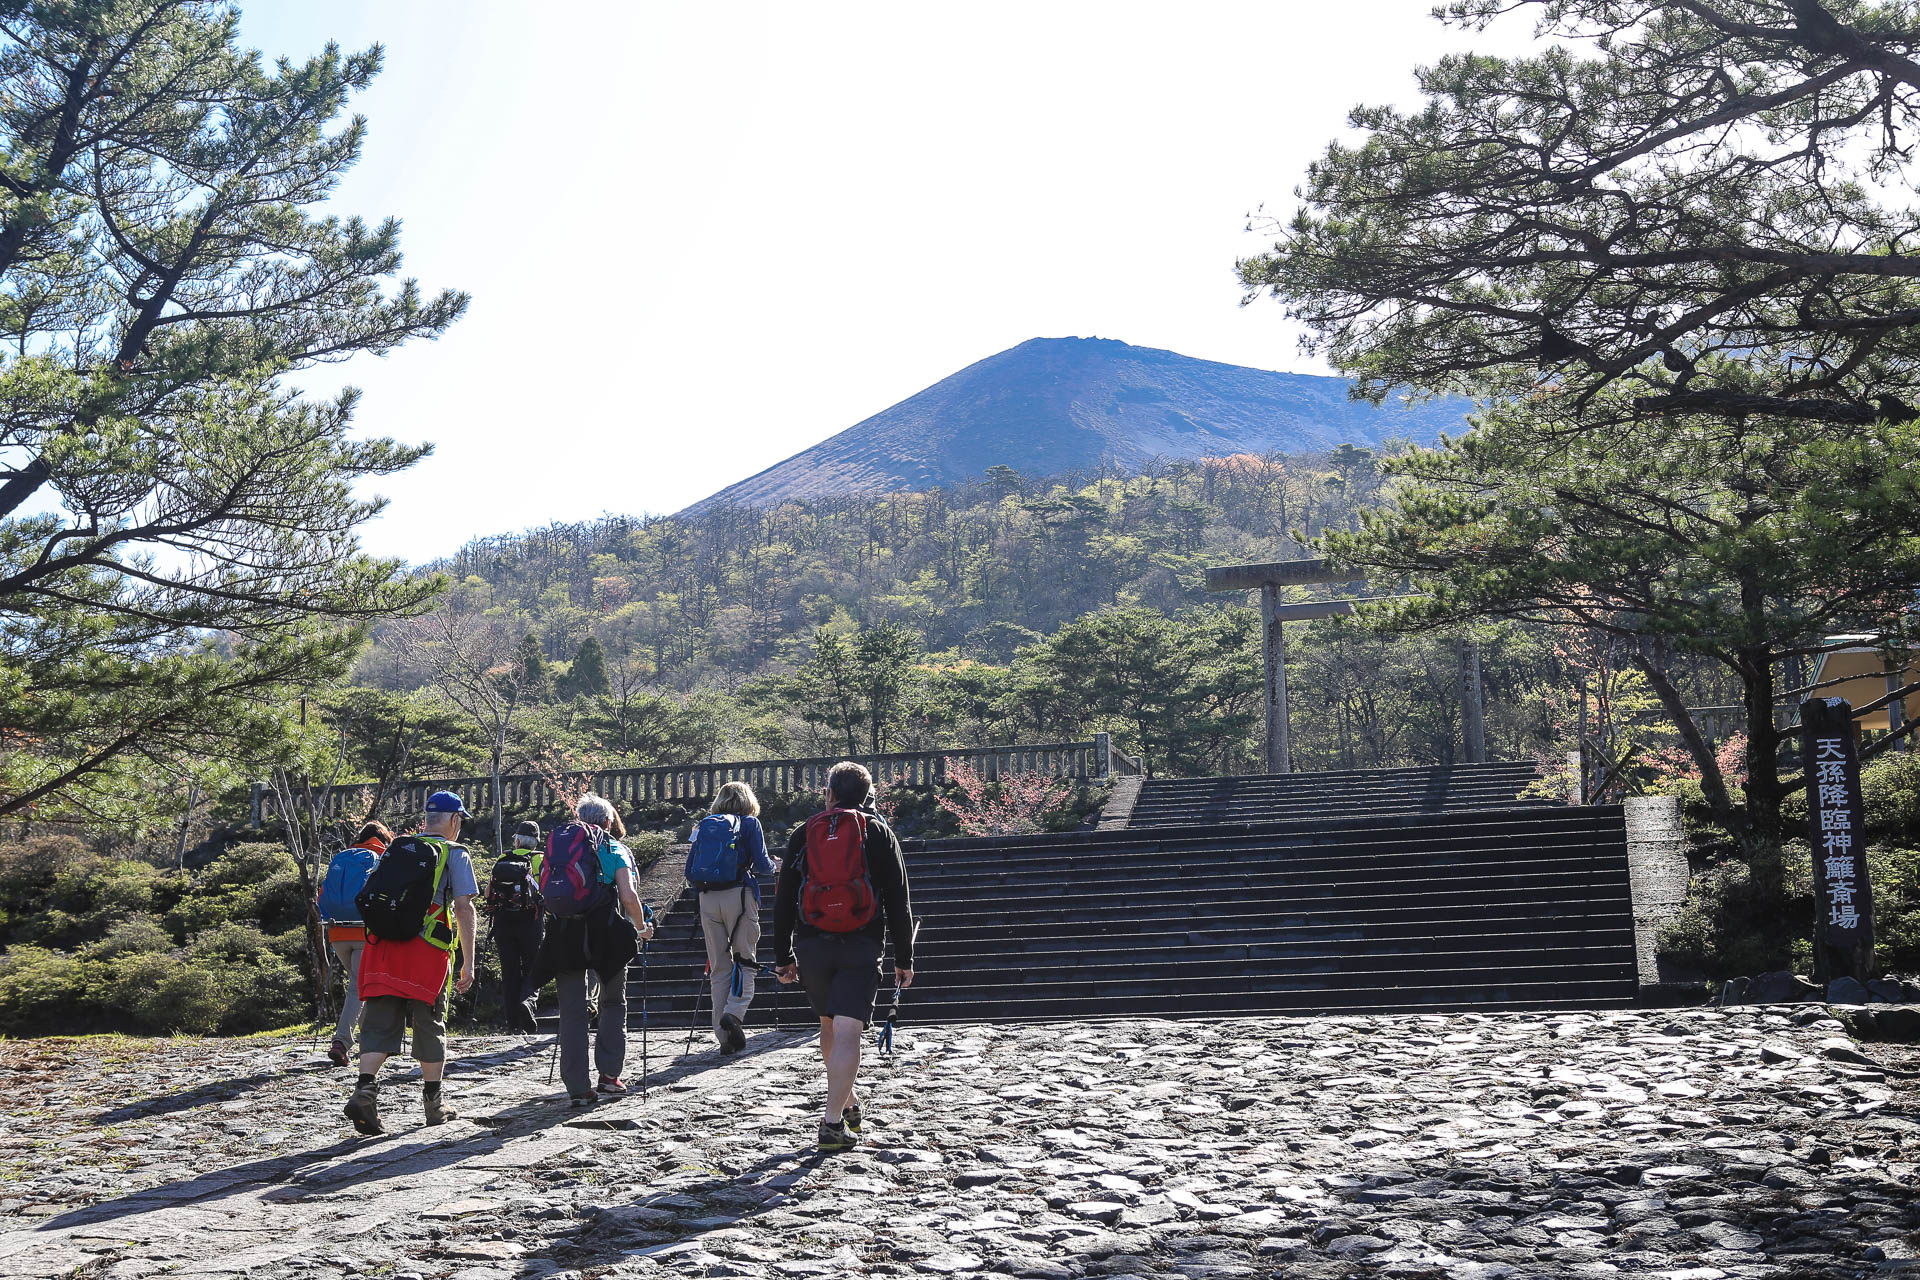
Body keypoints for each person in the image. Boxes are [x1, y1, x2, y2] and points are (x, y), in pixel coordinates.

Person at [774, 761, 915, 1152]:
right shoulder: (879, 833)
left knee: (829, 1027)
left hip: (812, 943)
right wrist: (905, 957)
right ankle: (833, 1122)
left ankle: (848, 1102)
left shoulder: (805, 833)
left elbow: (784, 898)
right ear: (868, 796)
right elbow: (898, 902)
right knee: (849, 1031)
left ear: (830, 793)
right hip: (861, 942)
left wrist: (782, 954)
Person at [344, 792, 478, 1135]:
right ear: (454, 820)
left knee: (378, 1022)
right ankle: (434, 1105)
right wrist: (468, 962)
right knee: (429, 1022)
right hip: (426, 953)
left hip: (384, 948)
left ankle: (364, 1090)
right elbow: (463, 908)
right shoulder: (455, 853)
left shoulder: (396, 848)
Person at [531, 793, 655, 1107]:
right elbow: (628, 896)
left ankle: (577, 1086)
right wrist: (641, 929)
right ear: (608, 822)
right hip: (606, 934)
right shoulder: (615, 848)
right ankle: (610, 1077)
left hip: (565, 933)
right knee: (612, 1002)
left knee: (572, 1011)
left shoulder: (558, 849)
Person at [692, 781, 779, 1054]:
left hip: (707, 898)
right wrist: (777, 865)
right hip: (740, 897)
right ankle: (735, 1012)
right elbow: (763, 866)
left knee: (719, 968)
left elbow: (688, 868)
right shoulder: (750, 824)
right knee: (745, 961)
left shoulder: (703, 826)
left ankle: (724, 1038)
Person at [315, 820, 391, 1067]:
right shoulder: (381, 858)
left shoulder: (343, 856)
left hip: (337, 933)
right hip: (364, 933)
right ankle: (342, 1042)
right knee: (359, 988)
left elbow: (322, 895)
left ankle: (369, 1041)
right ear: (382, 837)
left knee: (361, 986)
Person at [486, 820, 545, 1032]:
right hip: (531, 921)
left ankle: (512, 1023)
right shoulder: (540, 859)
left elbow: (488, 893)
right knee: (533, 968)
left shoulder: (503, 858)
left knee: (509, 971)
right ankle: (527, 1003)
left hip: (503, 922)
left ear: (517, 840)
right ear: (536, 842)